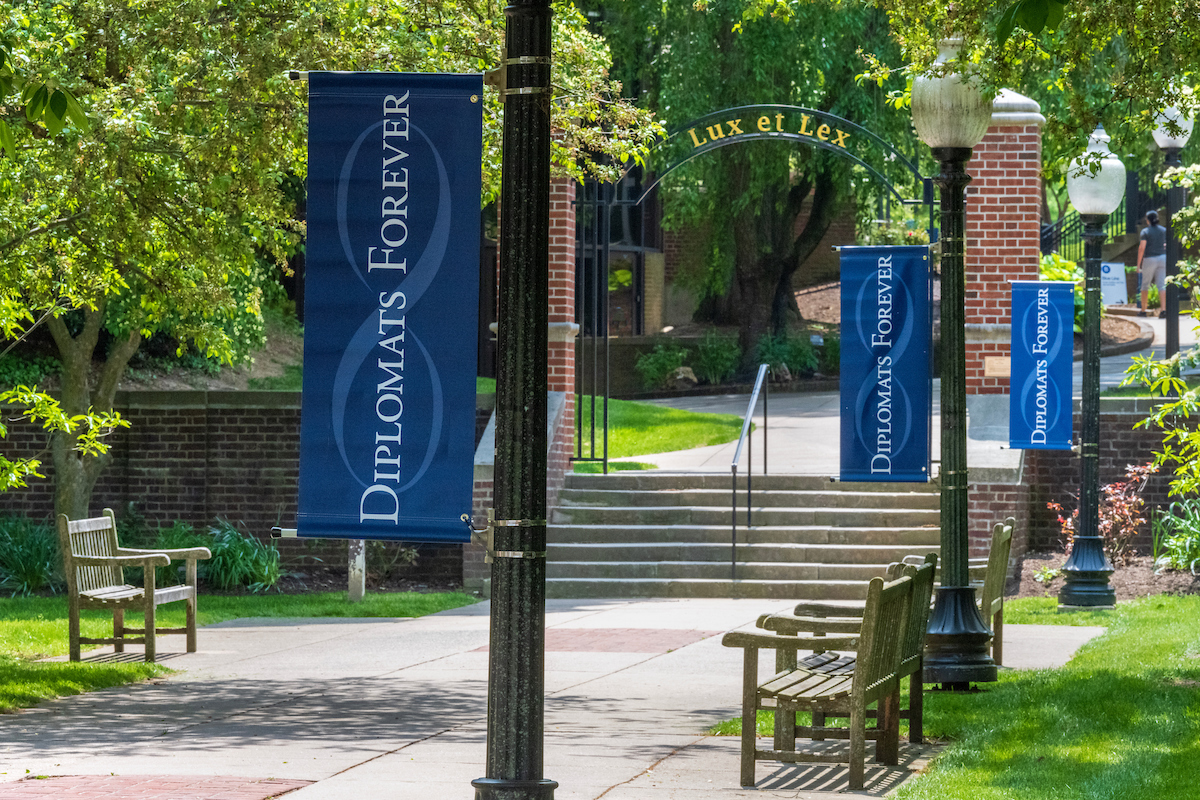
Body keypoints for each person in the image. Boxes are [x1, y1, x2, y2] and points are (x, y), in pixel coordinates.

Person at [1138, 210, 1168, 317]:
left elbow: (1142, 248)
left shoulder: (1145, 232)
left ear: (1147, 220)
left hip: (1150, 259)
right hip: (1163, 258)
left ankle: (1143, 310)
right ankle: (1163, 310)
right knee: (1162, 285)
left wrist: (1138, 265)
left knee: (1145, 285)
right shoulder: (1164, 230)